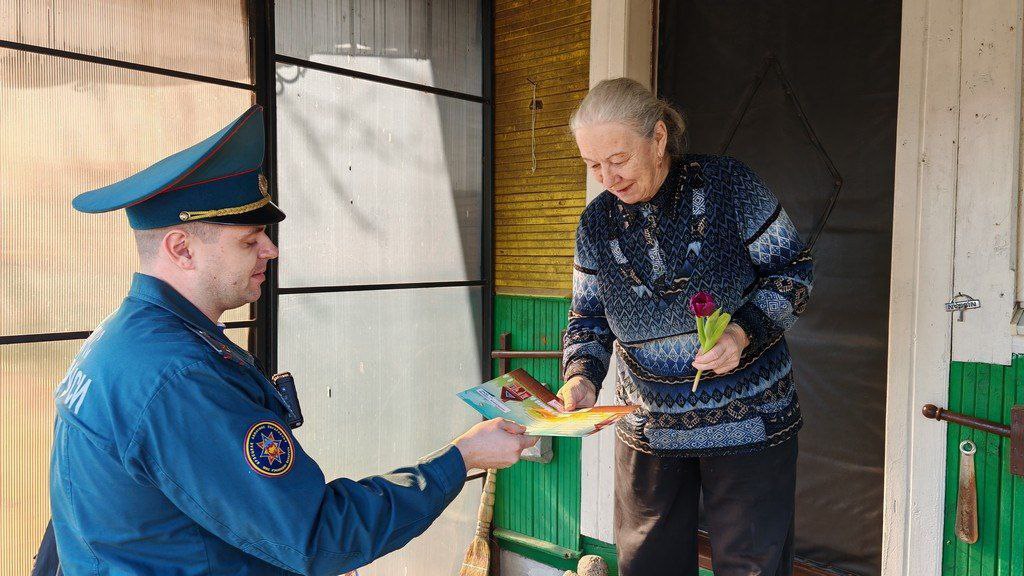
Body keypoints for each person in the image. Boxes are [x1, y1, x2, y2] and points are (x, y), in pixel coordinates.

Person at [49, 104, 536, 575]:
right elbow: (318, 538)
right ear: (182, 249)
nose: (271, 249)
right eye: (249, 238)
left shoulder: (123, 340)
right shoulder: (178, 376)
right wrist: (461, 459)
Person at [556, 78, 814, 576]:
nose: (607, 177)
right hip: (650, 425)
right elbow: (587, 318)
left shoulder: (728, 186)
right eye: (593, 165)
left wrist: (743, 332)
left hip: (749, 417)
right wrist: (582, 377)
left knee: (751, 566)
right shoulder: (594, 225)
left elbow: (793, 270)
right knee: (648, 565)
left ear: (657, 139)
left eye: (618, 159)